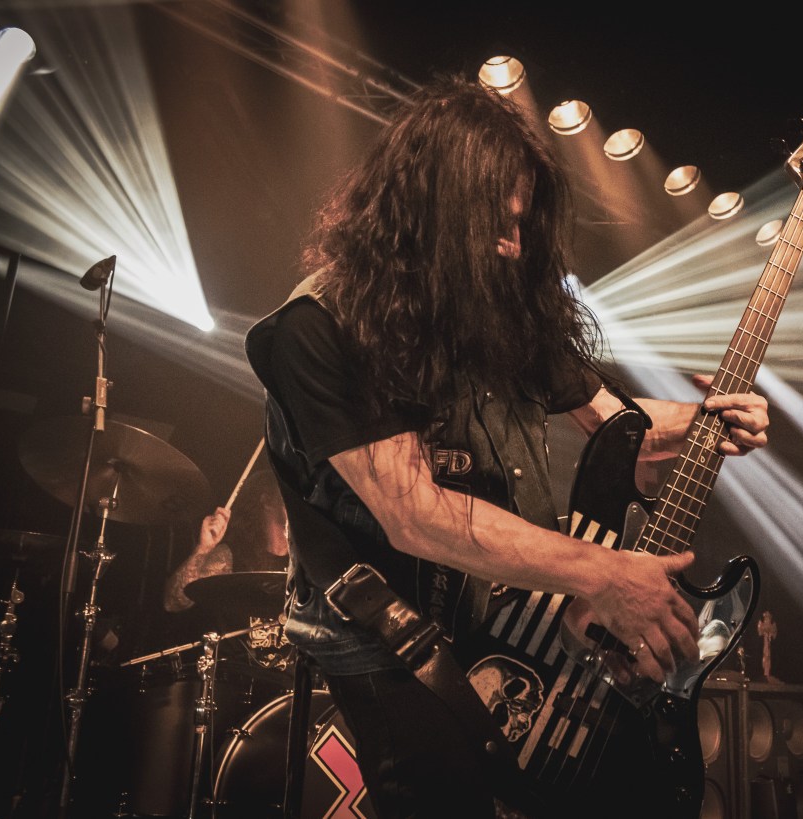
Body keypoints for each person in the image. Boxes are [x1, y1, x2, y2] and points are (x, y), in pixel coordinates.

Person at [245, 73, 769, 818]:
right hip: (377, 621)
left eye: (524, 224)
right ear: (431, 206)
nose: (514, 244)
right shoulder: (319, 328)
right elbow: (415, 516)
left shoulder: (489, 308)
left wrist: (711, 418)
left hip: (480, 598)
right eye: (498, 220)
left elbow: (615, 420)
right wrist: (608, 574)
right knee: (443, 793)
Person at [162, 469, 293, 671]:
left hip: (289, 692)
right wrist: (203, 549)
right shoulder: (230, 556)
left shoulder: (304, 563)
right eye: (288, 490)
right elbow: (174, 602)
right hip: (236, 684)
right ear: (267, 501)